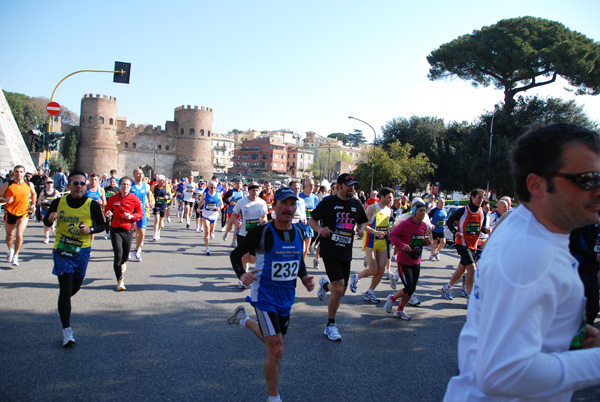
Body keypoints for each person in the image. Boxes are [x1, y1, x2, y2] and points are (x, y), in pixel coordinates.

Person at [444, 123, 600, 401]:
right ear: (537, 185)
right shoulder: (532, 252)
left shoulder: (522, 224)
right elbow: (502, 373)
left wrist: (566, 335)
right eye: (587, 179)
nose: (598, 190)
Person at [228, 187, 315, 402]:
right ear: (274, 206)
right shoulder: (262, 232)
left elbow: (298, 259)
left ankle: (244, 320)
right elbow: (236, 254)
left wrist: (304, 277)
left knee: (277, 344)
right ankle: (273, 397)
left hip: (286, 298)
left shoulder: (299, 232)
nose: (289, 208)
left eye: (292, 204)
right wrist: (242, 275)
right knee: (276, 349)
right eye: (284, 203)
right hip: (264, 296)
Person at [43, 170, 105, 347]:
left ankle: (63, 305)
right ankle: (67, 331)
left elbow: (102, 225)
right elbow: (47, 223)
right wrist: (50, 217)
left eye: (82, 183)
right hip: (62, 250)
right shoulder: (59, 202)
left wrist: (90, 229)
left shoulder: (91, 204)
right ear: (68, 185)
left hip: (81, 251)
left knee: (74, 287)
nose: (79, 186)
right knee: (66, 288)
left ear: (86, 186)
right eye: (75, 183)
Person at [309, 173, 367, 341]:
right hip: (330, 250)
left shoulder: (356, 204)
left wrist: (361, 229)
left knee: (340, 291)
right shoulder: (328, 202)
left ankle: (326, 285)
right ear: (339, 186)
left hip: (346, 252)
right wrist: (320, 230)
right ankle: (330, 325)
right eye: (348, 185)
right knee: (340, 285)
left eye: (353, 185)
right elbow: (312, 220)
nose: (351, 188)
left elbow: (363, 221)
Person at [385, 201, 430, 320]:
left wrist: (425, 242)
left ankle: (399, 310)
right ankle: (392, 298)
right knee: (409, 287)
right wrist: (401, 245)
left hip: (416, 260)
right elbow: (392, 235)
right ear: (414, 212)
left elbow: (419, 240)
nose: (423, 213)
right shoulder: (405, 224)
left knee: (412, 289)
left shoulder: (424, 226)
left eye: (424, 211)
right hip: (404, 260)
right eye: (420, 211)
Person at [442, 188, 489, 300]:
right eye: (479, 197)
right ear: (472, 197)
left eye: (483, 198)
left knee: (461, 269)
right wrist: (455, 232)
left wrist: (486, 230)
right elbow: (449, 221)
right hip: (462, 243)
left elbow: (481, 228)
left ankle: (447, 287)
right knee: (472, 269)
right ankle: (470, 295)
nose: (481, 200)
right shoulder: (464, 210)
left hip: (473, 244)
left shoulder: (483, 212)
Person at [350, 187, 394, 303]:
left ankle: (370, 292)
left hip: (383, 243)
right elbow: (362, 225)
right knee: (373, 270)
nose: (391, 200)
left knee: (381, 270)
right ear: (382, 197)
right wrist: (375, 232)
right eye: (389, 197)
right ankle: (356, 277)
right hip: (371, 242)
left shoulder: (389, 210)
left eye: (392, 198)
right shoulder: (372, 208)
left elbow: (388, 226)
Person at [104, 177, 144, 291]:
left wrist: (132, 216)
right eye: (123, 184)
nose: (125, 186)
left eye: (127, 185)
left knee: (125, 255)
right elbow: (107, 209)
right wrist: (107, 213)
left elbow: (140, 213)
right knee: (117, 255)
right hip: (115, 228)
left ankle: (124, 262)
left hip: (128, 229)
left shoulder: (134, 199)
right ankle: (119, 281)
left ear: (130, 186)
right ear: (119, 185)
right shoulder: (113, 198)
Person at [0, 165, 37, 266]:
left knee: (19, 234)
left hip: (23, 213)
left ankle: (16, 256)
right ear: (14, 173)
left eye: (21, 172)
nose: (19, 174)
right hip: (10, 212)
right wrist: (5, 200)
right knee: (10, 235)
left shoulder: (29, 184)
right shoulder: (8, 184)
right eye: (17, 172)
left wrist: (33, 204)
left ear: (24, 173)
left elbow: (34, 194)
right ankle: (10, 250)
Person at [231, 182, 267, 284]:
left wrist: (264, 221)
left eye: (257, 190)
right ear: (248, 191)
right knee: (243, 257)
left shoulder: (262, 203)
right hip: (243, 234)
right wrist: (236, 221)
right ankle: (243, 277)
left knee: (252, 259)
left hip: (256, 235)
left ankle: (246, 265)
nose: (255, 193)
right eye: (253, 191)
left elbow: (264, 216)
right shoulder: (241, 202)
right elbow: (233, 216)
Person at [569, 221, 600, 325]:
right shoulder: (585, 222)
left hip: (593, 271)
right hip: (580, 269)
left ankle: (586, 331)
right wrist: (592, 256)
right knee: (576, 306)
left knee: (594, 306)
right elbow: (572, 243)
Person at [130, 168, 153, 262]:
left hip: (141, 212)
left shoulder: (146, 186)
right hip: (131, 213)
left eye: (141, 174)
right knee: (130, 234)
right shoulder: (130, 186)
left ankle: (137, 250)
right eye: (138, 174)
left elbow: (149, 193)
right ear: (134, 175)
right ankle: (127, 249)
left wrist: (150, 201)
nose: (140, 175)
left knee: (142, 233)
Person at [198, 180, 223, 255]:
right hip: (206, 214)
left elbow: (222, 204)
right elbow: (201, 202)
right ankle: (207, 248)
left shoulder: (218, 195)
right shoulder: (205, 194)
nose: (213, 189)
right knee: (207, 231)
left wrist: (220, 208)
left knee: (211, 231)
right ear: (208, 187)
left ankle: (207, 237)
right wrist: (199, 207)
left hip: (214, 215)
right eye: (211, 187)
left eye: (214, 188)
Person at [299, 179, 319, 262]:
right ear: (305, 186)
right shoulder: (300, 196)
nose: (312, 187)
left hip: (309, 227)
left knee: (306, 250)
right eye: (310, 185)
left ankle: (301, 266)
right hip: (299, 226)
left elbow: (317, 212)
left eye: (313, 185)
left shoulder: (315, 198)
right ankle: (297, 264)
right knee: (301, 249)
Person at [37, 177, 61, 244]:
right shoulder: (43, 192)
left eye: (51, 182)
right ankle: (47, 238)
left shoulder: (56, 192)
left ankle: (53, 229)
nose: (50, 184)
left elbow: (61, 201)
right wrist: (43, 201)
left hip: (53, 210)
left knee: (52, 224)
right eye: (48, 183)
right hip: (45, 210)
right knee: (45, 225)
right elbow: (38, 201)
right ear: (45, 184)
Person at [222, 179, 244, 247]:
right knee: (230, 227)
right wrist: (229, 203)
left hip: (239, 212)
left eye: (240, 183)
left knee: (237, 227)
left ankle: (234, 241)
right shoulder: (231, 191)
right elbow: (223, 199)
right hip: (231, 211)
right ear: (235, 184)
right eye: (237, 183)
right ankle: (227, 232)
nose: (238, 185)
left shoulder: (242, 192)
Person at [152, 175, 170, 241]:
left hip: (163, 205)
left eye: (164, 180)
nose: (163, 182)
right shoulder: (154, 188)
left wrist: (167, 197)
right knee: (156, 219)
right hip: (156, 205)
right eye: (162, 181)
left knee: (161, 220)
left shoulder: (166, 188)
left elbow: (170, 196)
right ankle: (155, 233)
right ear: (158, 181)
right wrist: (152, 201)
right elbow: (151, 195)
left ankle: (158, 231)